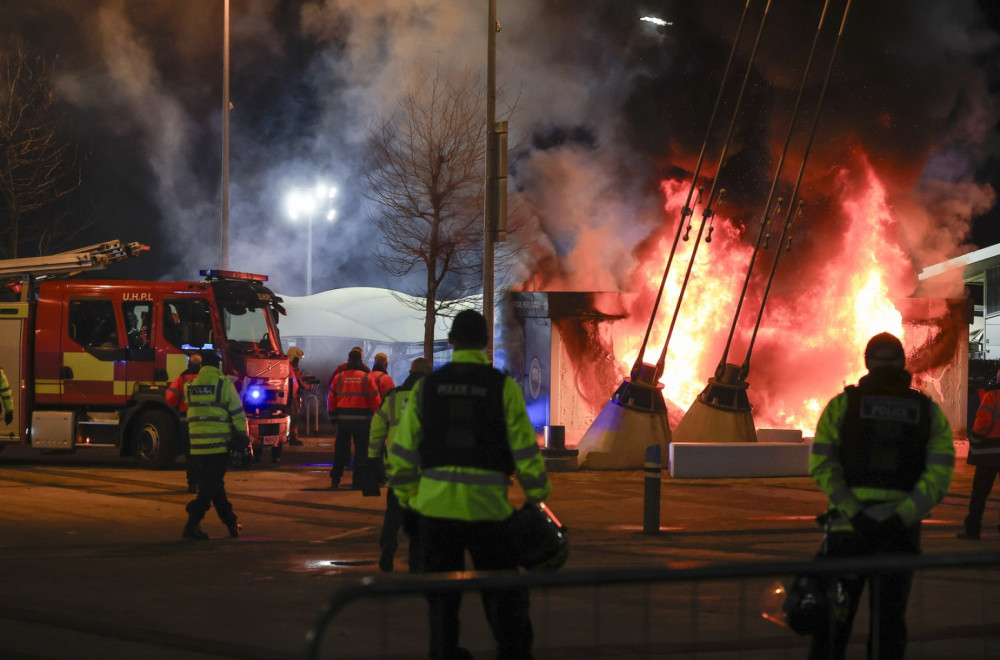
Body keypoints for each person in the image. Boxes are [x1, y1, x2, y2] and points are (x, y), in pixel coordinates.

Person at [388, 310, 552, 660]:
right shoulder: (502, 387)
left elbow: (402, 452)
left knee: (442, 607)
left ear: (453, 342)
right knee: (504, 600)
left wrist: (409, 499)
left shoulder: (426, 388)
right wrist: (536, 497)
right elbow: (525, 448)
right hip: (488, 512)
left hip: (434, 512)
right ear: (484, 343)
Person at [808, 332, 954, 660]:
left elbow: (822, 466)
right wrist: (899, 517)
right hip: (899, 537)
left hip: (847, 536)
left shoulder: (843, 405)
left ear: (867, 363)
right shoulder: (927, 413)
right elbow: (938, 475)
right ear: (903, 363)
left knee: (833, 626)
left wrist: (856, 514)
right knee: (888, 627)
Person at [368, 356, 433, 573]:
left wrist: (372, 457)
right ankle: (417, 561)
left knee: (393, 514)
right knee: (422, 516)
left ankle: (388, 547)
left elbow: (377, 427)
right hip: (424, 468)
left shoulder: (393, 398)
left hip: (396, 466)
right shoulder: (432, 397)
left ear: (410, 372)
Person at [182, 349, 249, 540]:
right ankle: (192, 520)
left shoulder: (191, 385)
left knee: (214, 487)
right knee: (209, 488)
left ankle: (231, 524)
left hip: (196, 446)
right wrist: (242, 436)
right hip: (218, 445)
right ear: (218, 365)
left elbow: (190, 406)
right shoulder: (223, 385)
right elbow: (237, 412)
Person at [327, 347, 381, 490]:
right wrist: (377, 418)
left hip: (343, 421)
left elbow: (331, 397)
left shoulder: (339, 377)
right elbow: (375, 399)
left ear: (349, 360)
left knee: (340, 451)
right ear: (360, 361)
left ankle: (335, 480)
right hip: (363, 421)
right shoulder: (367, 377)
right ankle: (357, 482)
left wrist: (332, 415)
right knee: (361, 452)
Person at [957, 368, 1000, 540]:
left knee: (979, 495)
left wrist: (974, 439)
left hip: (988, 456)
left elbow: (983, 423)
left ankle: (973, 530)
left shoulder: (993, 397)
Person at [165, 352, 203, 493]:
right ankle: (203, 483)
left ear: (188, 364)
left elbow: (170, 398)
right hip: (205, 422)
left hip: (186, 421)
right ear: (201, 365)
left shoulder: (182, 378)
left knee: (190, 455)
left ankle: (193, 484)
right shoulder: (206, 378)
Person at [287, 346, 312, 446]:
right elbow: (298, 382)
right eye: (299, 358)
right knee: (294, 417)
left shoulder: (287, 365)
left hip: (289, 395)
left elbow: (296, 378)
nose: (299, 361)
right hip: (292, 397)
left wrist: (306, 378)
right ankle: (293, 438)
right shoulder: (292, 367)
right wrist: (309, 386)